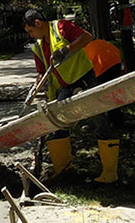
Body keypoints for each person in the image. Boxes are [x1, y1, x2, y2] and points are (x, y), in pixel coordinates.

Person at [23, 9, 119, 183]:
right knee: (58, 123)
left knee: (98, 118)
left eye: (31, 31)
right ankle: (64, 170)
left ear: (37, 23)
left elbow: (87, 37)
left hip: (84, 78)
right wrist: (36, 86)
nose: (31, 35)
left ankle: (110, 173)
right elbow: (42, 72)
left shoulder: (61, 27)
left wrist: (66, 49)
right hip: (66, 86)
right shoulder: (37, 47)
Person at [84, 39, 125, 128]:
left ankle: (99, 123)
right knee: (114, 92)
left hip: (102, 68)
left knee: (100, 96)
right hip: (116, 62)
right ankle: (117, 120)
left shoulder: (83, 52)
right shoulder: (98, 42)